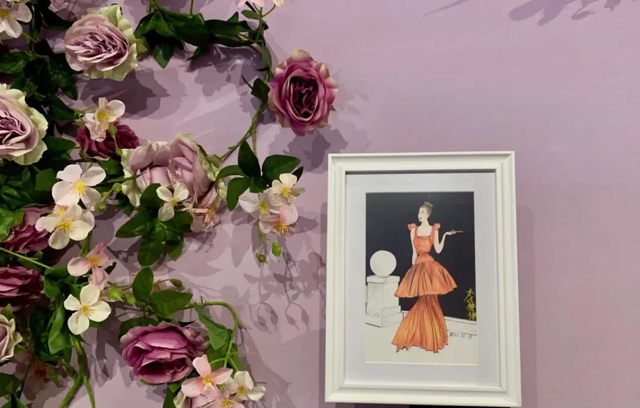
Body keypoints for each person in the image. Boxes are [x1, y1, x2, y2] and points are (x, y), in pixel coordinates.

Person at [392, 201, 460, 352]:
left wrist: (445, 235)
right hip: (418, 266)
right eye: (419, 212)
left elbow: (438, 249)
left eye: (422, 212)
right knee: (425, 301)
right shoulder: (413, 230)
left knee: (431, 301)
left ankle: (426, 337)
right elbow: (413, 253)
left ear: (428, 214)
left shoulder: (433, 229)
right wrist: (412, 272)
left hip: (430, 268)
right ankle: (426, 338)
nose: (419, 214)